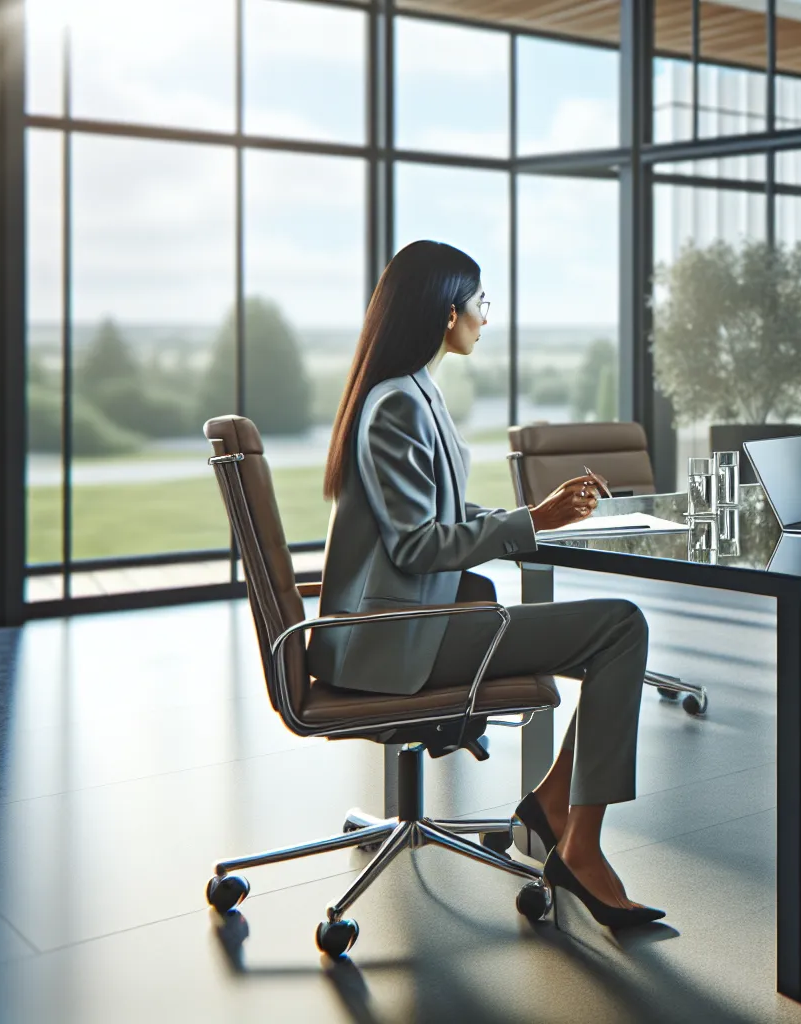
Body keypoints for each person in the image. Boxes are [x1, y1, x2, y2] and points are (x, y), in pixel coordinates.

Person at [312, 240, 663, 931]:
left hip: (417, 626)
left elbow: (438, 516)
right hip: (401, 640)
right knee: (621, 627)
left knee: (615, 627)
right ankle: (577, 845)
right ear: (449, 313)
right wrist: (529, 521)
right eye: (481, 302)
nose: (485, 316)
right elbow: (417, 544)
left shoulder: (410, 393)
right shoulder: (397, 405)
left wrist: (536, 520)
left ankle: (553, 810)